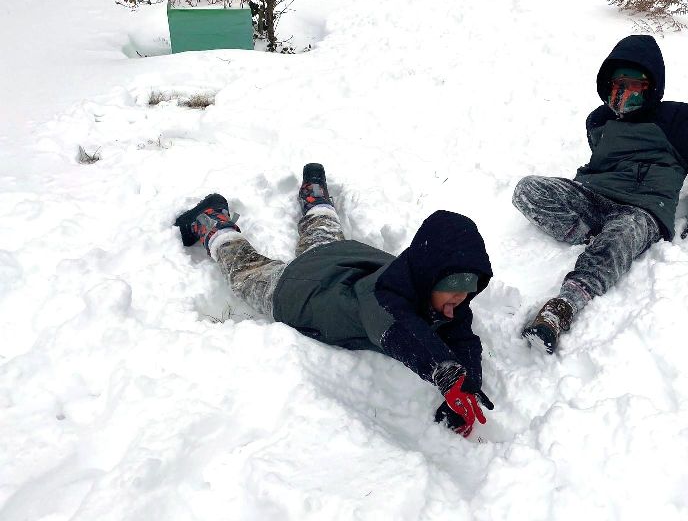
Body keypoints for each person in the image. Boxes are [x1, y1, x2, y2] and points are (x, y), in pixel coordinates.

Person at [173, 164, 495, 437]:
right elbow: (398, 328)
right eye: (453, 284)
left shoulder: (435, 291)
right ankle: (214, 222)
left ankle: (316, 196)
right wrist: (444, 373)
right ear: (428, 275)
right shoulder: (382, 302)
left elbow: (463, 337)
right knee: (246, 273)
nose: (460, 296)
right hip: (300, 291)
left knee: (323, 237)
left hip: (342, 259)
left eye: (470, 285)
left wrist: (466, 383)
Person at [513, 34, 688, 353]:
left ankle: (563, 306)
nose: (624, 92)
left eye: (634, 84)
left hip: (642, 209)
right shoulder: (599, 120)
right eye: (617, 83)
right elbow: (602, 162)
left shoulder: (675, 121)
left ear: (652, 86)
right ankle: (592, 238)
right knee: (527, 190)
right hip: (594, 196)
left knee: (623, 233)